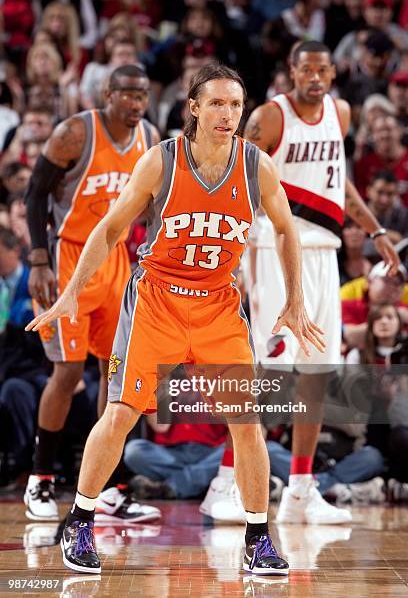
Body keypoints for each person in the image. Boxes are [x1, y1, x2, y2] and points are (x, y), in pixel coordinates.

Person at [26, 63, 324, 575]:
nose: (228, 114)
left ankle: (257, 537)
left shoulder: (257, 167)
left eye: (235, 105)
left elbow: (285, 230)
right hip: (157, 301)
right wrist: (72, 291)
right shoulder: (160, 162)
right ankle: (79, 519)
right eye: (216, 104)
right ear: (193, 108)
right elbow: (110, 228)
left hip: (219, 307)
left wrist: (295, 299)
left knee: (247, 425)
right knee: (121, 413)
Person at [240, 40, 398, 525]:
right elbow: (239, 181)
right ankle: (233, 480)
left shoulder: (342, 113)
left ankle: (301, 490)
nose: (314, 77)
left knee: (317, 372)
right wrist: (236, 253)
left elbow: (338, 183)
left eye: (322, 70)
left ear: (333, 73)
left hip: (324, 254)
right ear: (291, 71)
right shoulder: (269, 116)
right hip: (272, 249)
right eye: (305, 68)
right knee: (270, 375)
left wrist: (373, 229)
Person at [23, 64, 161, 525]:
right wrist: (38, 259)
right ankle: (40, 479)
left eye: (142, 96)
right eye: (127, 94)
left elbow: (157, 205)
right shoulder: (73, 133)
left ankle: (108, 490)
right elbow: (35, 193)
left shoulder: (150, 138)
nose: (136, 104)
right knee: (65, 371)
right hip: (68, 256)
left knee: (116, 375)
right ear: (108, 92)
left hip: (118, 258)